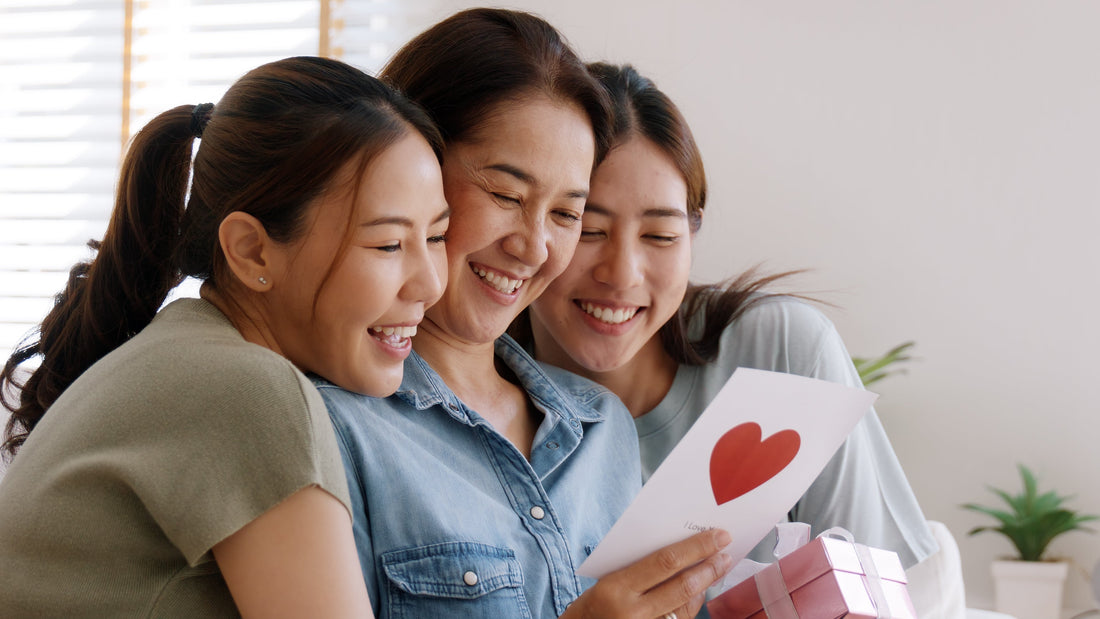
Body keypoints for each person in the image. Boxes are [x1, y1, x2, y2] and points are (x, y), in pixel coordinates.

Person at [0, 56, 450, 619]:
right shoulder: (249, 392)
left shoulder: (183, 354)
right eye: (388, 245)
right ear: (251, 250)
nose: (431, 285)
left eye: (438, 236)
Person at [318, 9, 732, 619]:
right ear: (410, 170)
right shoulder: (330, 424)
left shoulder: (600, 430)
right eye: (507, 196)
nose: (535, 247)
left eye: (568, 215)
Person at [524, 62, 938, 571]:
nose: (622, 274)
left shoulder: (782, 350)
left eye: (660, 236)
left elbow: (874, 588)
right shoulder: (476, 402)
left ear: (692, 235)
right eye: (588, 229)